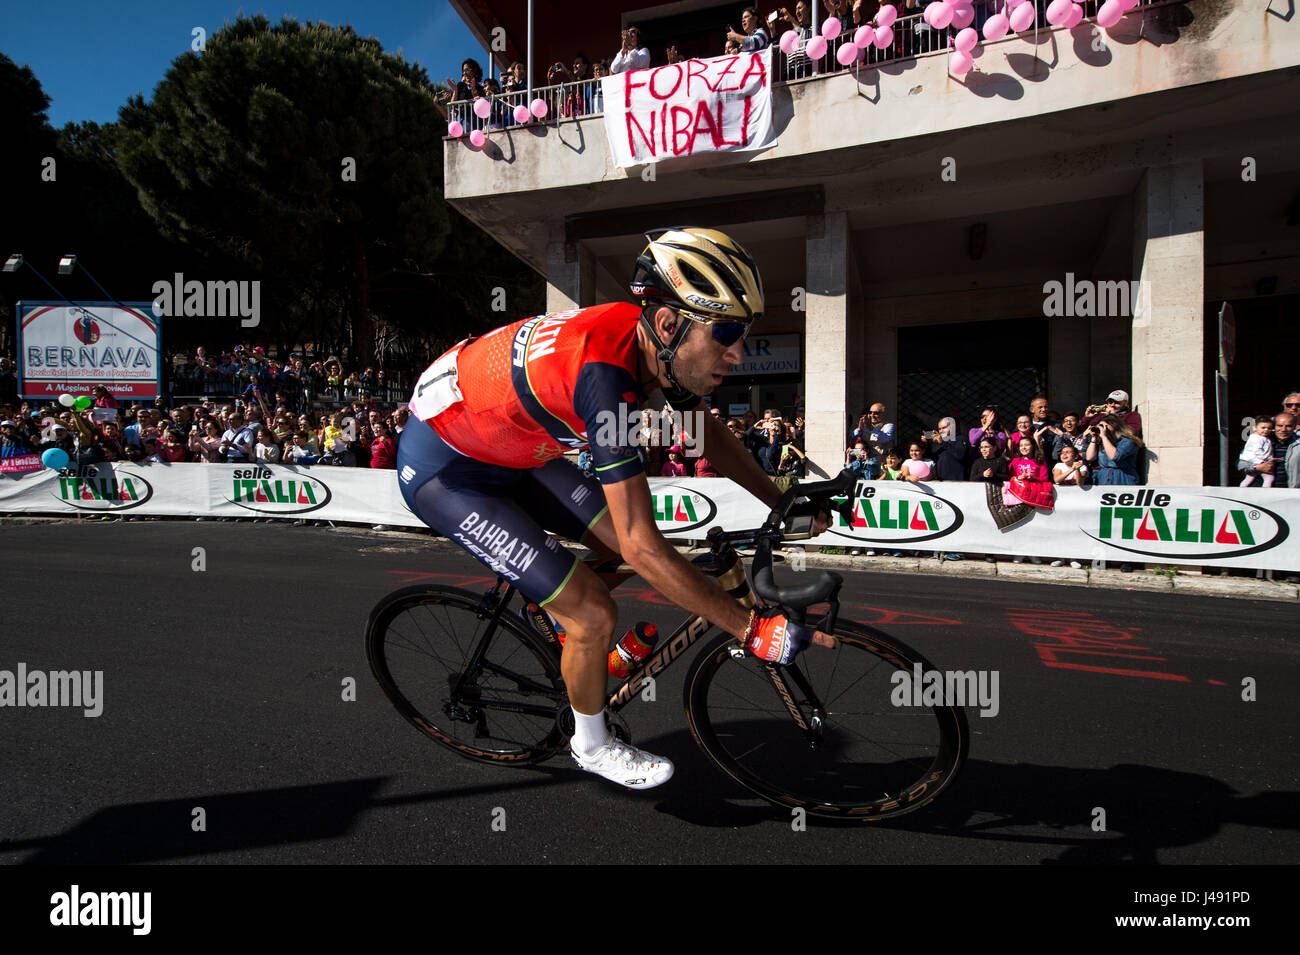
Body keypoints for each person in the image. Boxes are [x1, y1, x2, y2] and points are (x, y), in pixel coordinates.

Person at [396, 226, 834, 791]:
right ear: (672, 324)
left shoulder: (652, 344)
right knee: (596, 609)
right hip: (448, 473)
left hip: (516, 448)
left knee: (626, 555)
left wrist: (782, 498)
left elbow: (702, 431)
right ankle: (591, 741)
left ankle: (557, 615)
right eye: (725, 332)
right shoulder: (605, 379)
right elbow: (641, 546)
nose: (738, 352)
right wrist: (749, 628)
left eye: (744, 333)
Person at [1085, 414, 1142, 485]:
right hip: (1104, 477)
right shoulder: (1103, 441)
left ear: (1114, 426)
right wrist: (1094, 439)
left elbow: (1115, 456)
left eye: (1104, 426)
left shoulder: (1128, 441)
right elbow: (1090, 457)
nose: (1102, 429)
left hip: (1123, 477)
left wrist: (1104, 437)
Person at [1238, 417, 1275, 487]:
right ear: (1255, 428)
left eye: (1269, 428)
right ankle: (1266, 491)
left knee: (1249, 478)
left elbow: (1267, 450)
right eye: (1263, 428)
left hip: (1255, 461)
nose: (1266, 430)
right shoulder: (1256, 438)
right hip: (1255, 461)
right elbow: (1257, 451)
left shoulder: (1264, 438)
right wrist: (1265, 460)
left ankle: (1242, 488)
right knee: (1269, 477)